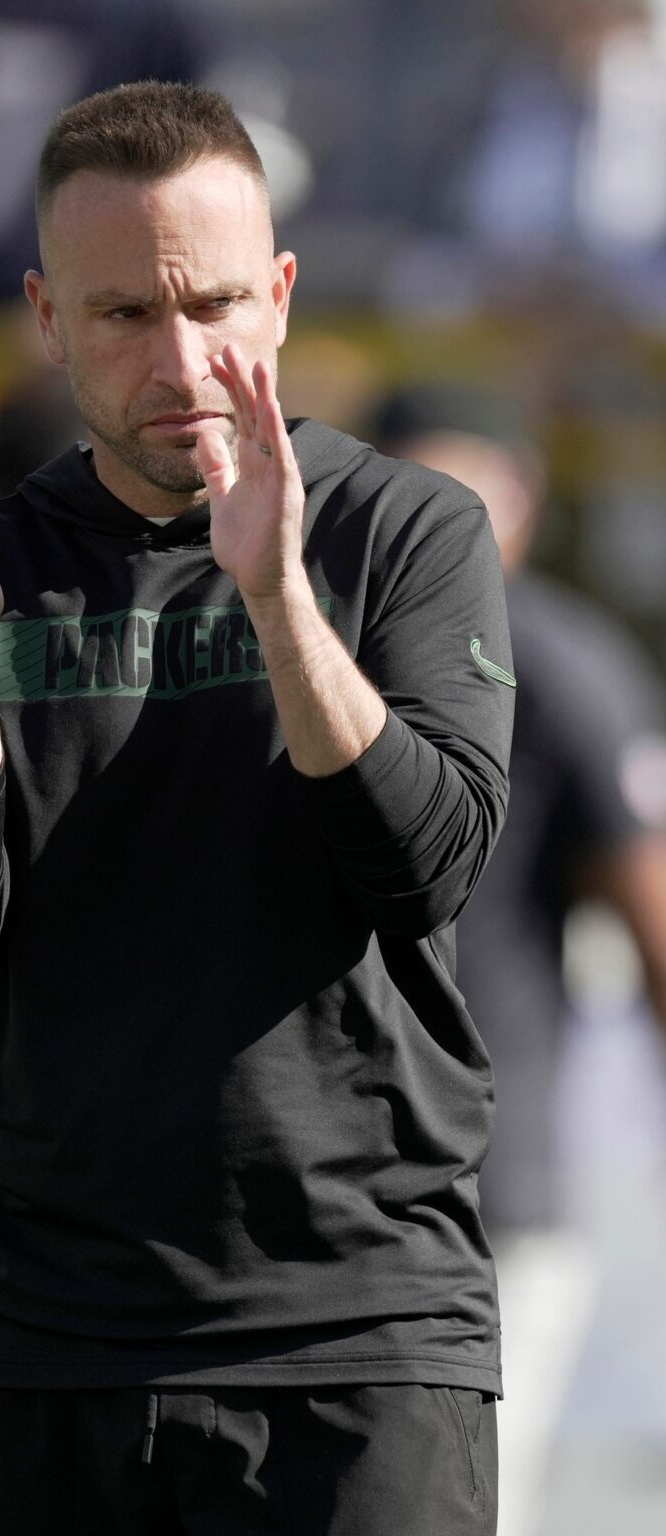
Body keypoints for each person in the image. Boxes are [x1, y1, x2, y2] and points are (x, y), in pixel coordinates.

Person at [0, 82, 514, 1536]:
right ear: (45, 317)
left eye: (215, 304)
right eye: (125, 318)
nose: (184, 360)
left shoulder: (400, 531)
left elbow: (426, 866)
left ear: (279, 293)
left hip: (354, 1330)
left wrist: (277, 600)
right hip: (46, 1333)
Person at [368, 380, 666, 1536]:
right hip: (320, 1170)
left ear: (526, 503)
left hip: (484, 1181)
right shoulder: (313, 634)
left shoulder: (550, 658)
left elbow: (646, 904)